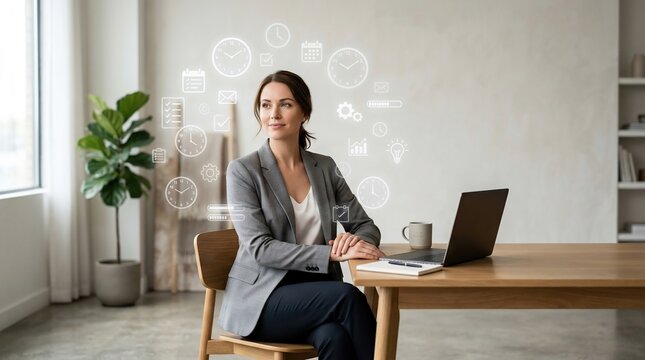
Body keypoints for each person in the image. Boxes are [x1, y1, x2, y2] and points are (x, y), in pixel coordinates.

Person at [219, 70, 386, 360]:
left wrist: (355, 242)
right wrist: (329, 255)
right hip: (263, 300)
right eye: (266, 105)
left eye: (285, 104)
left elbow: (363, 224)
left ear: (304, 112)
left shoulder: (324, 169)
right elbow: (260, 249)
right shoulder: (244, 172)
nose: (274, 113)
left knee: (335, 338)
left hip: (314, 297)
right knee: (349, 298)